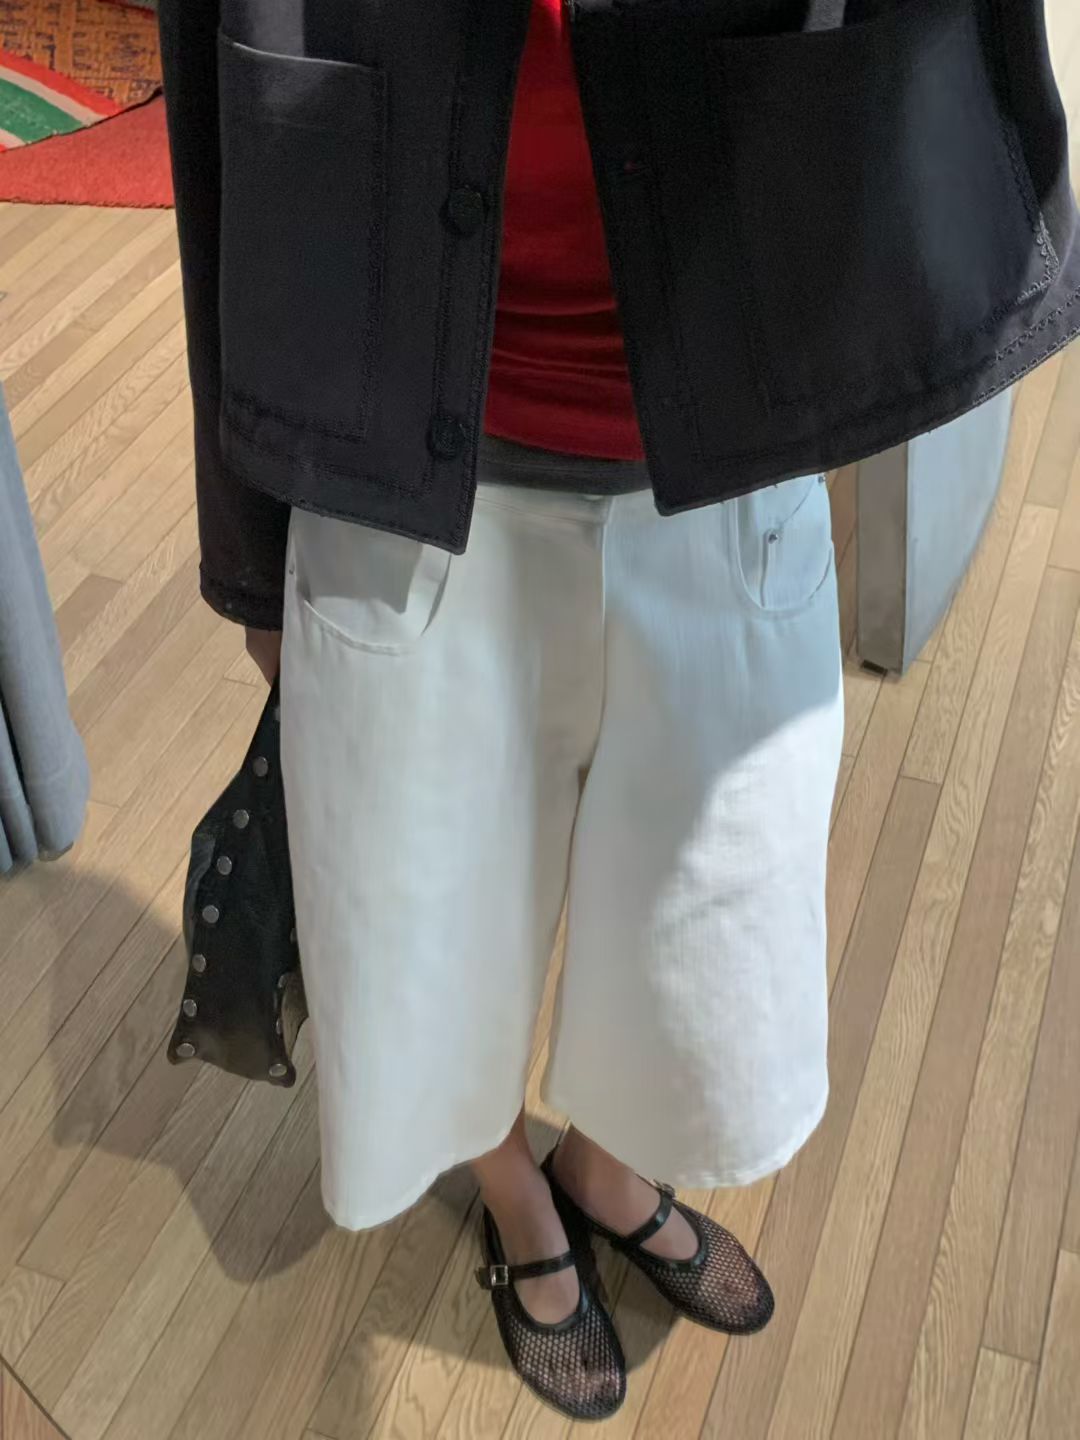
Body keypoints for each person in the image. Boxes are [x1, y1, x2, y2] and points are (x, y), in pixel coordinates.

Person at [159, 0, 1078, 1421]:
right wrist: (247, 555)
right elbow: (218, 109)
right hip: (398, 465)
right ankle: (515, 1192)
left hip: (717, 460)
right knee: (420, 950)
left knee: (707, 953)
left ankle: (607, 1165)